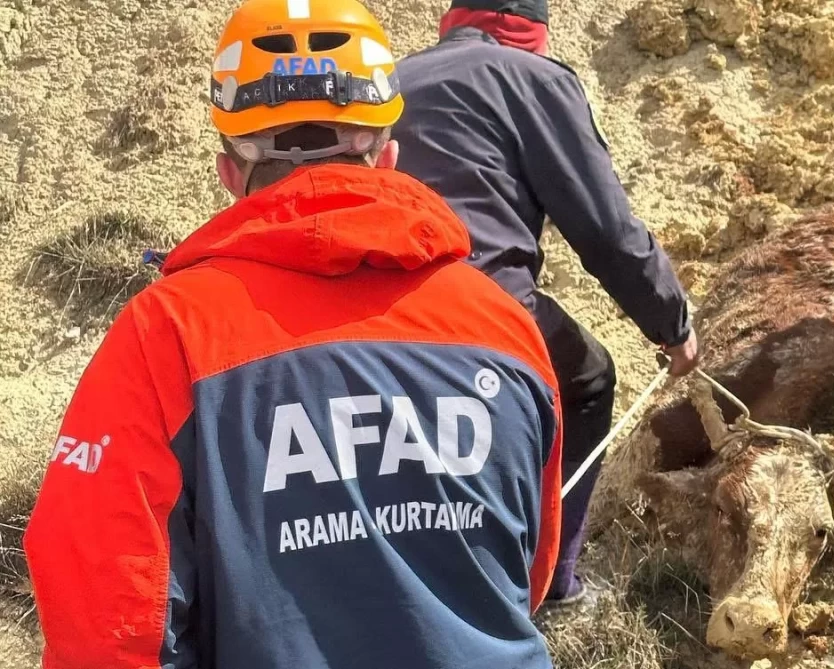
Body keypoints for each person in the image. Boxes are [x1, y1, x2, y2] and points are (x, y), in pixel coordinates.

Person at [23, 1, 564, 666]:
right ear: (389, 155)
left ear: (229, 171)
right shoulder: (506, 327)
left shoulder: (167, 333)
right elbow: (528, 572)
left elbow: (104, 620)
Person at [392, 0, 699, 609]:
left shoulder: (393, 79)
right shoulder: (535, 79)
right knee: (587, 379)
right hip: (477, 299)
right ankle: (552, 582)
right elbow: (606, 231)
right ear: (534, 31)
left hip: (368, 302)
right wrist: (673, 325)